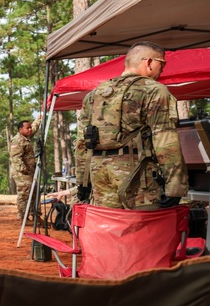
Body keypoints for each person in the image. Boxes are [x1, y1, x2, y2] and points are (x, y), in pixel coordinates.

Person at [74, 42, 188, 209]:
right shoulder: (153, 90)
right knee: (144, 224)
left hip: (100, 174)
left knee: (109, 223)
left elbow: (82, 142)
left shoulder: (94, 94)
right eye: (162, 63)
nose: (162, 69)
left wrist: (82, 182)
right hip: (137, 175)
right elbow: (165, 140)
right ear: (149, 62)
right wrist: (175, 185)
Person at [9, 117, 41, 221]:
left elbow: (34, 128)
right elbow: (15, 158)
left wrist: (38, 120)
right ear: (20, 129)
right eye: (27, 128)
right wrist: (24, 170)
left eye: (30, 127)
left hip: (30, 172)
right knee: (25, 194)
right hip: (22, 173)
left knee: (35, 192)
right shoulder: (17, 140)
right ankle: (23, 217)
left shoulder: (26, 137)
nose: (30, 129)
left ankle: (36, 216)